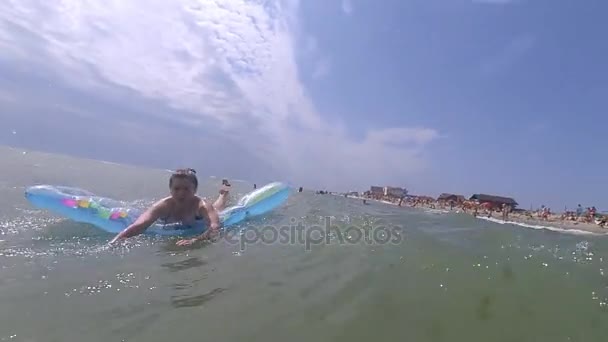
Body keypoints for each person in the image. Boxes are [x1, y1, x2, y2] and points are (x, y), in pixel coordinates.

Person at [109, 168, 230, 246]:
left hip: (198, 222)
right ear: (170, 190)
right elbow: (139, 225)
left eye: (186, 189)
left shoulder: (201, 205)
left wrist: (195, 240)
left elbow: (215, 226)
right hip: (176, 223)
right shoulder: (163, 205)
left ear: (195, 190)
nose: (181, 193)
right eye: (176, 189)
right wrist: (115, 242)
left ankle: (223, 194)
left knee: (217, 210)